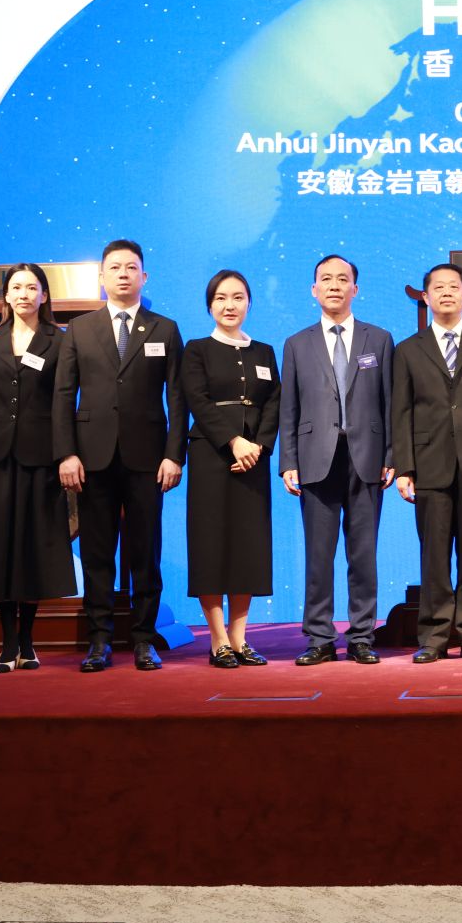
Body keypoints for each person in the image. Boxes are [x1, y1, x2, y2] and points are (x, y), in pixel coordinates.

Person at [53, 240, 186, 674]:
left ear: (144, 277)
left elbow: (178, 398)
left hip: (148, 458)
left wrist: (174, 455)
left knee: (146, 552)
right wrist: (67, 453)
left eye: (131, 267)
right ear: (102, 277)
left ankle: (144, 639)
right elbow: (63, 396)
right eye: (115, 268)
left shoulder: (165, 329)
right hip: (92, 459)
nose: (123, 274)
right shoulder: (79, 329)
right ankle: (99, 640)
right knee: (97, 553)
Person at [0, 263, 75, 672]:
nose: (24, 294)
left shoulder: (60, 341)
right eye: (16, 288)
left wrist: (65, 454)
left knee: (33, 550)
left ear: (44, 295)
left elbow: (64, 404)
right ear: (6, 295)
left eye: (32, 287)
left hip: (40, 459)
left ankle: (28, 641)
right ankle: (8, 644)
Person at [279, 254, 394, 666]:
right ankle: (320, 638)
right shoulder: (297, 343)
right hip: (315, 458)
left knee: (363, 555)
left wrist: (392, 455)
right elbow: (288, 408)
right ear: (314, 290)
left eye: (342, 279)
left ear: (354, 289)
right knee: (318, 556)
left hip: (367, 458)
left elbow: (390, 403)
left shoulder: (379, 339)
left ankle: (362, 635)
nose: (334, 285)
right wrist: (288, 460)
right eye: (325, 279)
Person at [390, 262, 462, 664]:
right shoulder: (408, 349)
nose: (446, 293)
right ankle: (434, 637)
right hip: (429, 463)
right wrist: (404, 467)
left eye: (453, 287)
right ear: (426, 297)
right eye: (438, 288)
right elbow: (401, 412)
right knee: (434, 557)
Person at [182, 270, 281, 668]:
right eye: (221, 298)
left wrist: (260, 446)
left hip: (253, 459)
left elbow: (274, 402)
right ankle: (217, 639)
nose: (229, 305)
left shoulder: (264, 352)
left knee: (247, 545)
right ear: (210, 305)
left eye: (238, 297)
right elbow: (197, 400)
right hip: (211, 456)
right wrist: (233, 441)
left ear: (249, 303)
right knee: (210, 543)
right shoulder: (197, 349)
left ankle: (240, 638)